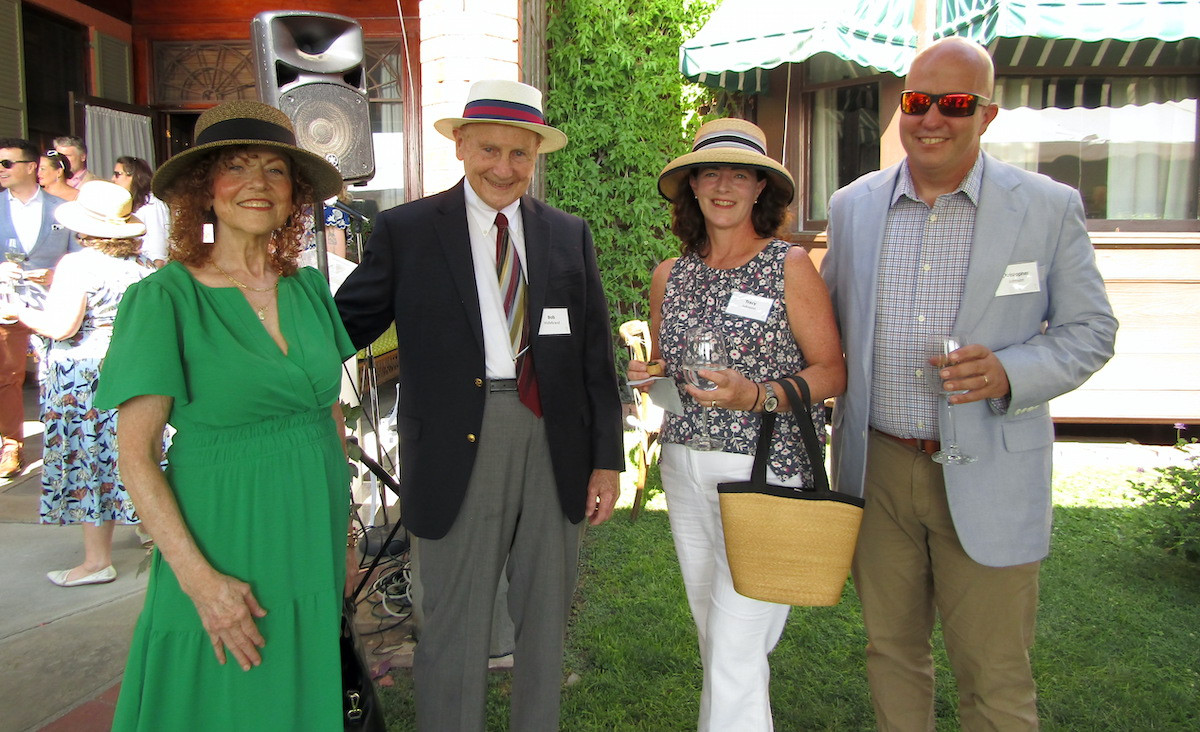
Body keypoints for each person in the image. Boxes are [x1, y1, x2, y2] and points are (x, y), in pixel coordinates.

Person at [820, 37, 1118, 730]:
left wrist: (1012, 371)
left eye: (954, 104)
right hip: (879, 464)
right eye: (918, 102)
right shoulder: (853, 207)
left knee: (995, 675)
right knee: (891, 652)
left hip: (990, 467)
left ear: (987, 114)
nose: (932, 120)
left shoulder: (1046, 207)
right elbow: (825, 326)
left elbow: (1091, 331)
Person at [335, 79, 624, 731]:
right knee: (455, 620)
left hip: (556, 441)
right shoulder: (407, 231)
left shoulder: (567, 235)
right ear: (461, 146)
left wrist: (606, 461)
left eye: (519, 155)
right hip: (456, 439)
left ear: (535, 156)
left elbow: (594, 358)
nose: (504, 168)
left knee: (545, 613)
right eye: (489, 149)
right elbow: (341, 325)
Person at [93, 101, 356, 729]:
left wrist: (347, 537)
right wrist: (199, 580)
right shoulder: (163, 298)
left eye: (275, 170)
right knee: (214, 693)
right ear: (203, 189)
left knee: (295, 686)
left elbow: (331, 420)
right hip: (221, 529)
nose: (258, 184)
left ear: (294, 193)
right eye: (236, 166)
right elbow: (134, 453)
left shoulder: (310, 290)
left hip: (309, 529)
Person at [626, 118, 845, 731]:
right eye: (711, 173)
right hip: (684, 466)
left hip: (766, 470)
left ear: (759, 190)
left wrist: (756, 395)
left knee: (732, 644)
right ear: (691, 186)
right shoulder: (671, 275)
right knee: (719, 637)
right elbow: (679, 367)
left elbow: (832, 371)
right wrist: (654, 375)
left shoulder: (788, 265)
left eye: (740, 174)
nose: (724, 186)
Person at [2, 181, 155, 586]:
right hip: (134, 366)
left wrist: (19, 309)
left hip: (84, 375)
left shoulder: (78, 265)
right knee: (138, 451)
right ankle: (150, 529)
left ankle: (95, 560)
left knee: (92, 459)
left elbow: (62, 325)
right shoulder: (145, 268)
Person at [0, 137, 76, 478]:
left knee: (56, 375)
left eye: (7, 163)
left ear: (31, 167)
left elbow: (80, 257)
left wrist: (54, 274)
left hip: (53, 304)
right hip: (7, 302)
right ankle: (10, 445)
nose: (1, 170)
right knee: (6, 375)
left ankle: (63, 447)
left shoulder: (60, 208)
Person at [112, 156, 170, 266]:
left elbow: (159, 253)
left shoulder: (152, 205)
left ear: (134, 177)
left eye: (117, 174)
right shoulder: (125, 204)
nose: (113, 179)